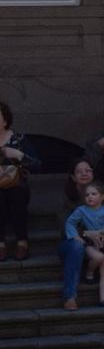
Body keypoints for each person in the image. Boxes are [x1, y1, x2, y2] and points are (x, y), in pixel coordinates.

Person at [0, 101, 40, 262]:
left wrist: (18, 155)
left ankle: (22, 242)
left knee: (16, 193)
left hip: (17, 185)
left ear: (5, 120)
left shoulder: (18, 139)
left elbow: (38, 165)